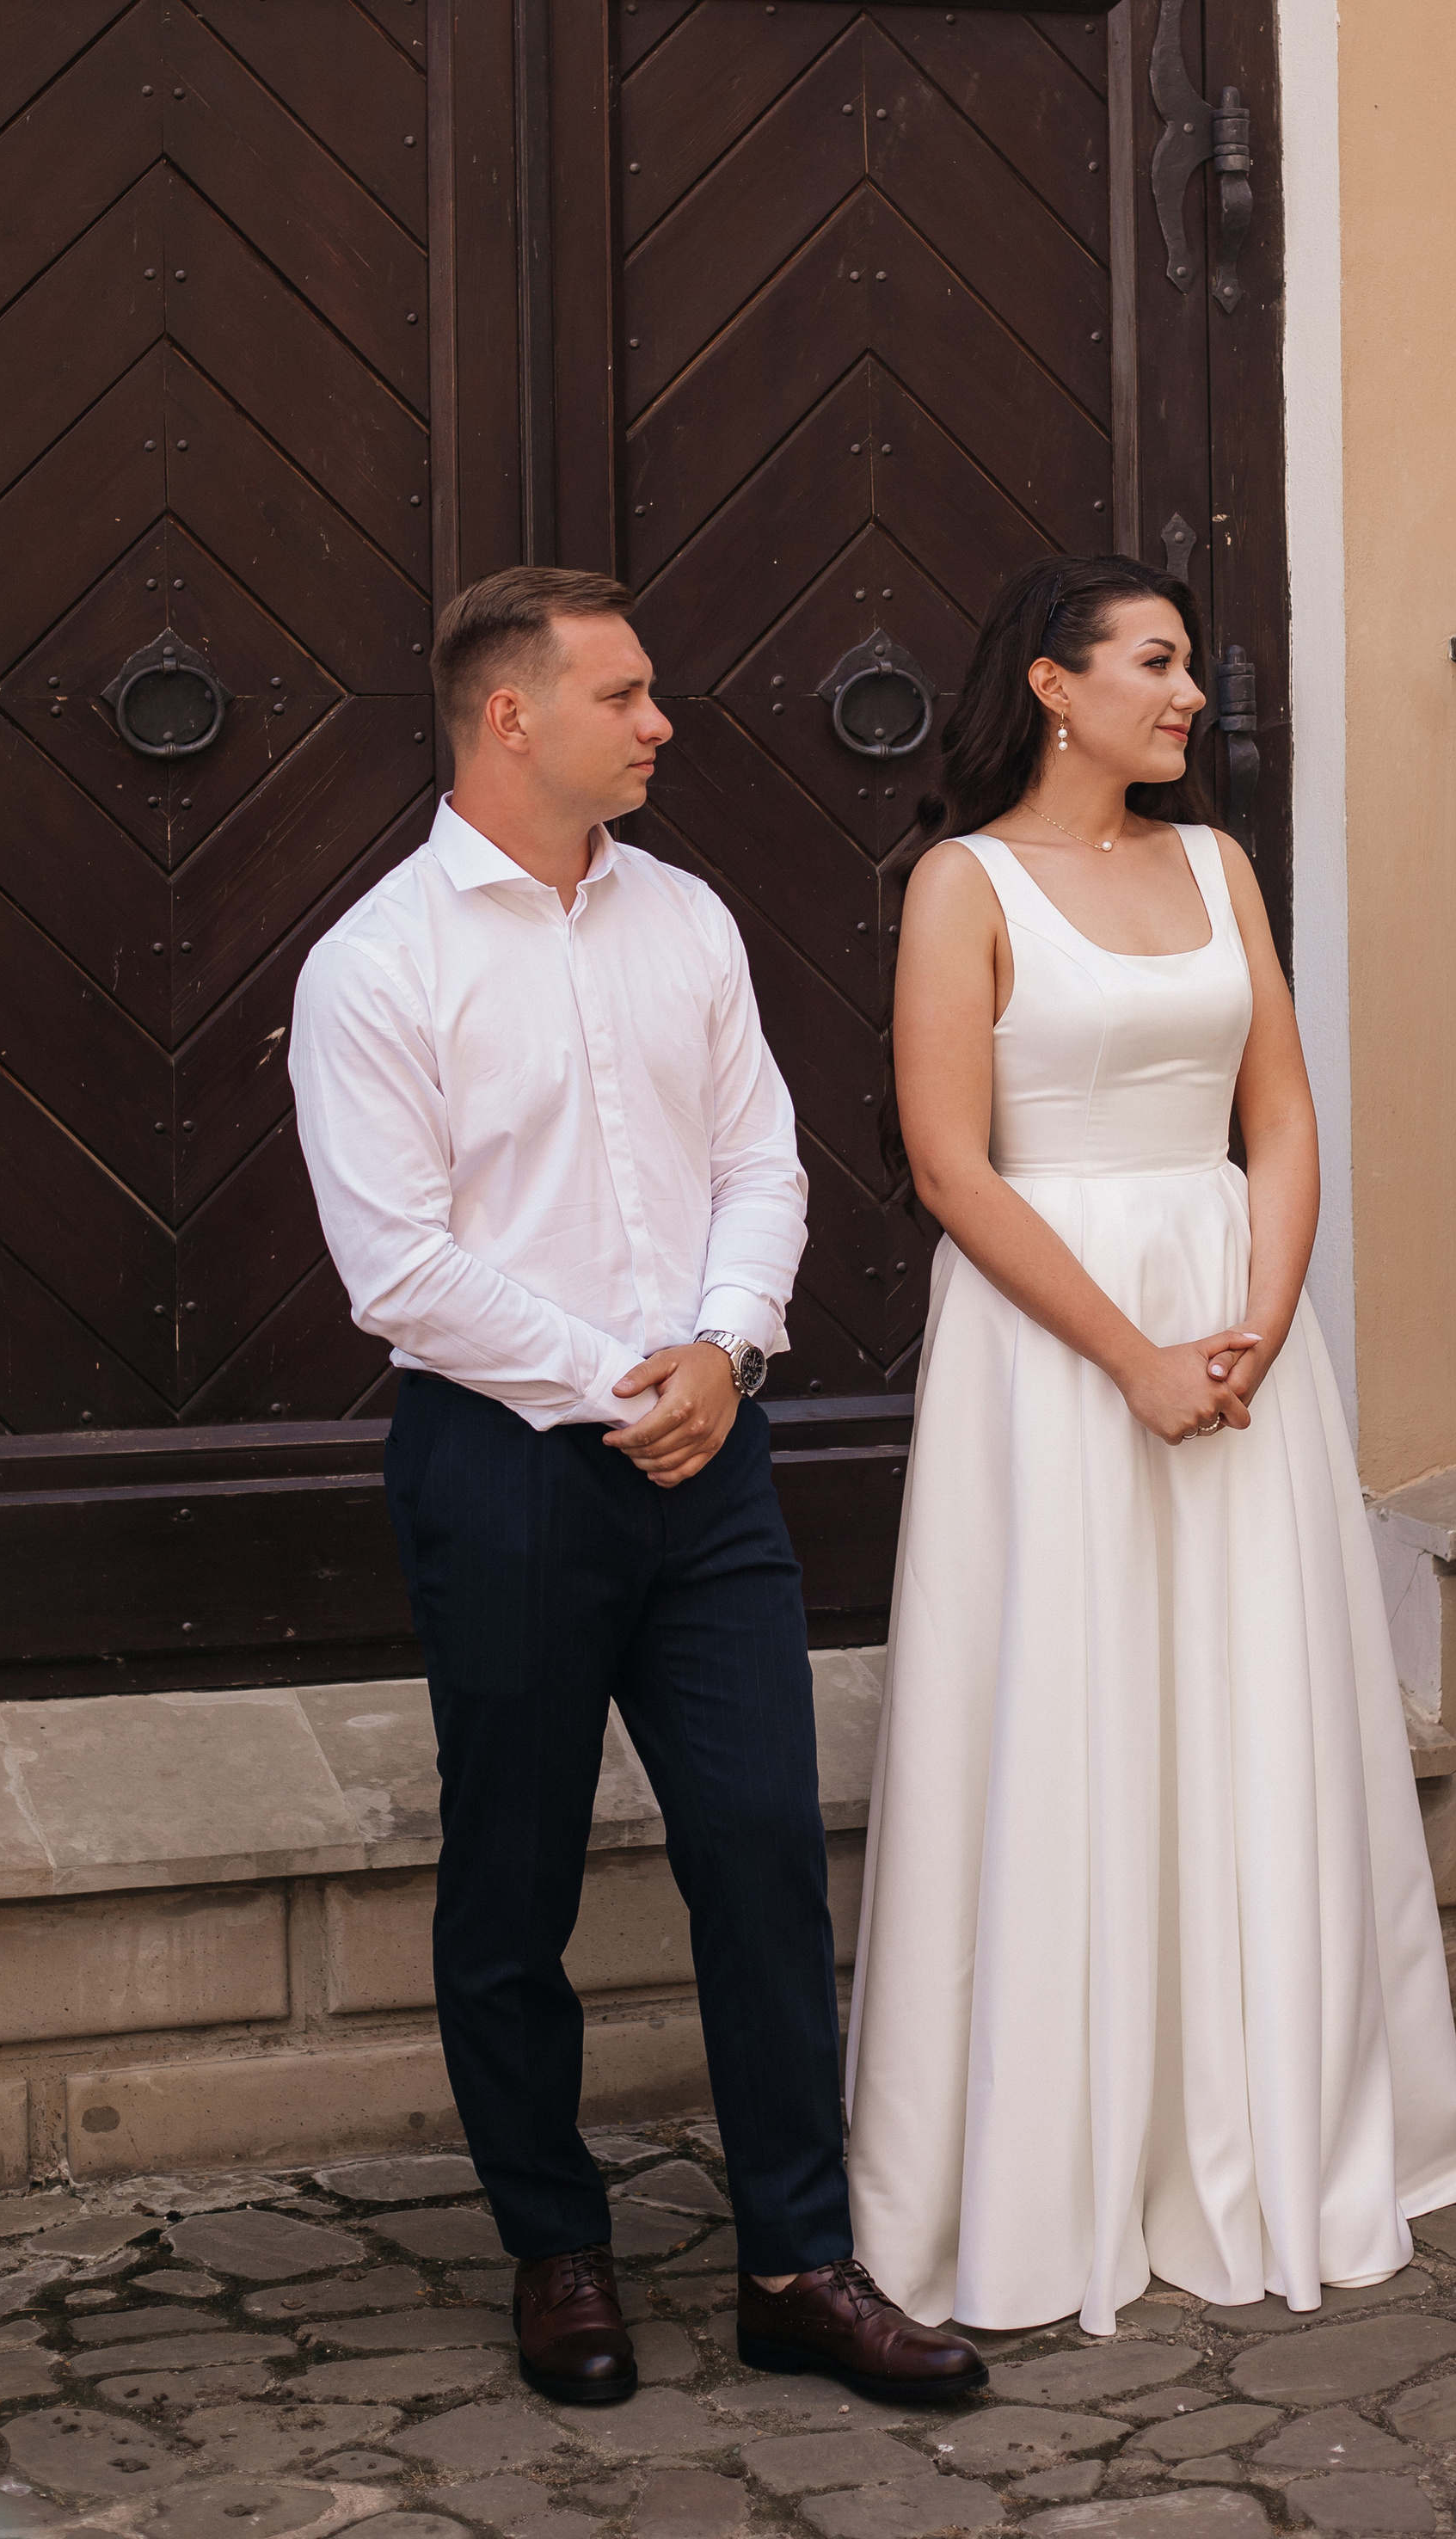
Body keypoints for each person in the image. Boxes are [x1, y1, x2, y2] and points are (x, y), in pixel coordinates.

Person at [288, 564, 984, 2411]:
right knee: (509, 1888)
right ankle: (555, 2253)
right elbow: (398, 1267)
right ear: (509, 717)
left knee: (760, 1861)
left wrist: (723, 1352)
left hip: (710, 1466)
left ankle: (794, 2262)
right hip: (504, 1473)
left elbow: (763, 1159)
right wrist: (623, 1382)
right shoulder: (378, 963)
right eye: (627, 694)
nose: (662, 720)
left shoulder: (686, 921)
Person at [844, 553, 1456, 2336]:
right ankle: (1058, 2152)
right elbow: (948, 1164)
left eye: (1188, 664)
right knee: (1070, 1699)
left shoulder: (1215, 868)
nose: (1188, 692)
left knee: (1243, 1700)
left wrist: (1262, 1321)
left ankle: (1260, 2106)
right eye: (1153, 660)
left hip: (1229, 1325)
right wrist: (1132, 1357)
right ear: (1051, 686)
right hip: (1060, 1341)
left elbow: (1276, 1112)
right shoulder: (959, 887)